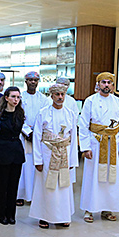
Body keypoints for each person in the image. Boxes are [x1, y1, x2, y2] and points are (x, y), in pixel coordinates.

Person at [79, 72, 119, 223]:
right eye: (103, 82)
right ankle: (89, 209)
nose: (106, 85)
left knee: (111, 177)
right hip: (95, 143)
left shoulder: (118, 102)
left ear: (113, 86)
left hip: (113, 143)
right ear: (98, 84)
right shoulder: (90, 101)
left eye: (109, 82)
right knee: (93, 177)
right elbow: (83, 125)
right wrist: (86, 147)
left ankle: (107, 208)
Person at [29, 83, 78, 228]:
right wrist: (37, 160)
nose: (60, 97)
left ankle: (63, 216)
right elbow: (37, 137)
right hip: (47, 154)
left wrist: (73, 160)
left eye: (62, 94)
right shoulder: (43, 112)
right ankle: (44, 216)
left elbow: (74, 138)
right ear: (52, 96)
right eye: (57, 94)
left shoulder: (70, 113)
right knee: (47, 185)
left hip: (64, 153)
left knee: (62, 186)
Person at [16, 71, 51, 206]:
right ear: (26, 81)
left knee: (35, 165)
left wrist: (35, 132)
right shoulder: (21, 97)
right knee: (23, 166)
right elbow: (18, 116)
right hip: (23, 136)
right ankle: (19, 194)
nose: (32, 82)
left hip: (38, 136)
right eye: (30, 80)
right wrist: (27, 131)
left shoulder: (44, 99)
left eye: (35, 80)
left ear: (38, 82)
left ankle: (34, 195)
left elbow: (44, 118)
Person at [0, 87, 25, 225]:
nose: (15, 100)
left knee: (13, 185)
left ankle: (11, 214)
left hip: (16, 151)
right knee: (2, 184)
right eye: (13, 97)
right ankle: (2, 214)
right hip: (2, 151)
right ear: (6, 98)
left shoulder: (20, 113)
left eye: (18, 97)